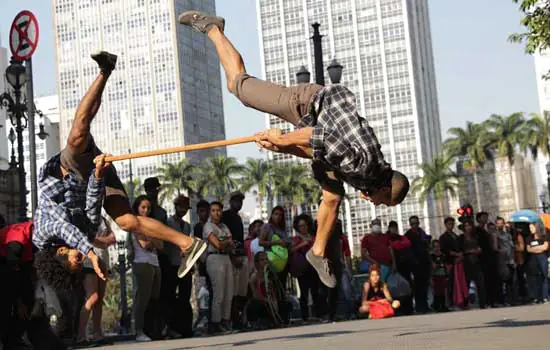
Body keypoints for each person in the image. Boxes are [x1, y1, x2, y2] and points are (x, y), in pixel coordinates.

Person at [178, 11, 410, 288]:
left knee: (332, 196)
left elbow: (319, 151)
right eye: (383, 201)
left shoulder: (372, 167)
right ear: (384, 188)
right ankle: (213, 29)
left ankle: (318, 252)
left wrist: (280, 147)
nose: (376, 203)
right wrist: (282, 139)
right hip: (305, 103)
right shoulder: (363, 167)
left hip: (317, 117)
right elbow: (317, 137)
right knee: (239, 86)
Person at [33, 51, 205, 282]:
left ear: (61, 254)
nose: (82, 258)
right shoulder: (85, 237)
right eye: (82, 261)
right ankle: (188, 244)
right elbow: (92, 210)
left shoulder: (41, 236)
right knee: (126, 221)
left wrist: (92, 253)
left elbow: (65, 230)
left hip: (67, 174)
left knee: (77, 133)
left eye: (78, 259)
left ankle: (105, 70)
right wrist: (97, 175)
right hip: (91, 177)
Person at [77, 217, 115, 345]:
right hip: (88, 260)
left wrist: (96, 240)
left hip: (103, 260)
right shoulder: (83, 216)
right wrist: (101, 240)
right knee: (92, 297)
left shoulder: (103, 219)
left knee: (99, 300)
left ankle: (97, 334)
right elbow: (84, 239)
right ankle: (81, 335)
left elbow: (112, 239)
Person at [130, 195, 164, 342]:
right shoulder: (135, 224)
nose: (146, 210)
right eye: (143, 207)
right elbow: (144, 244)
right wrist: (153, 240)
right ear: (137, 208)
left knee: (154, 298)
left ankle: (151, 329)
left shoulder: (152, 223)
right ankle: (138, 330)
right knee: (142, 299)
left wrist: (152, 240)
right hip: (142, 262)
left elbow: (161, 245)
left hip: (155, 263)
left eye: (148, 208)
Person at [164, 195, 194, 338]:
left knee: (185, 297)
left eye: (185, 208)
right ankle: (171, 327)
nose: (183, 210)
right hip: (172, 264)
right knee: (170, 297)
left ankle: (184, 327)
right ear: (176, 207)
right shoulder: (169, 223)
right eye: (181, 207)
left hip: (185, 265)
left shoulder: (187, 226)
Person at [203, 201, 234, 334]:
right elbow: (218, 244)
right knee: (219, 292)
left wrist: (225, 242)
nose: (217, 213)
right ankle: (216, 323)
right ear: (210, 212)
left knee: (229, 292)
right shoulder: (208, 226)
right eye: (214, 210)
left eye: (219, 210)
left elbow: (230, 244)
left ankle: (226, 321)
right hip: (214, 257)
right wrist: (225, 242)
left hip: (226, 257)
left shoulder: (224, 226)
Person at [290, 214, 318, 322]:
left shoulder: (313, 237)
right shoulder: (296, 239)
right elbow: (291, 250)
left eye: (305, 225)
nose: (303, 228)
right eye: (300, 226)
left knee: (315, 290)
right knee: (304, 292)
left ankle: (317, 314)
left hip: (314, 266)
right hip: (302, 268)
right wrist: (302, 245)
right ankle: (305, 316)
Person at [404, 215, 431, 313]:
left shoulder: (421, 232)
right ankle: (419, 306)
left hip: (424, 262)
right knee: (418, 286)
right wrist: (413, 260)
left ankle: (425, 305)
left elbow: (427, 245)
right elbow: (407, 250)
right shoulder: (408, 235)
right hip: (415, 264)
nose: (414, 225)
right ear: (410, 224)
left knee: (425, 285)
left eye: (416, 223)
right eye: (412, 224)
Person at [458, 220, 486, 309]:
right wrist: (469, 251)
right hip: (466, 262)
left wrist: (478, 250)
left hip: (476, 261)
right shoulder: (461, 238)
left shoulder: (475, 237)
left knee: (480, 283)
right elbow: (459, 250)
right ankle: (465, 303)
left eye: (469, 226)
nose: (468, 228)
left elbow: (481, 247)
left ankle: (482, 303)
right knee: (466, 283)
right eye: (466, 226)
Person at [525, 222, 549, 303]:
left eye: (532, 227)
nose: (530, 229)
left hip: (543, 257)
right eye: (529, 228)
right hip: (533, 259)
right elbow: (528, 249)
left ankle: (545, 296)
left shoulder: (544, 236)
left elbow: (545, 247)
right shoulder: (529, 238)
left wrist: (534, 248)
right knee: (536, 277)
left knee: (544, 276)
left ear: (537, 227)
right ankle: (537, 297)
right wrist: (539, 249)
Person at [431, 240, 449, 312]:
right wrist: (439, 264)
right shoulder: (432, 256)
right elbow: (433, 266)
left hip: (442, 274)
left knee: (442, 291)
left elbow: (445, 265)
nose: (437, 248)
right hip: (435, 275)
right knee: (437, 291)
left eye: (438, 246)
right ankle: (437, 306)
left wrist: (446, 274)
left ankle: (443, 305)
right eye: (435, 247)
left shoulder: (443, 255)